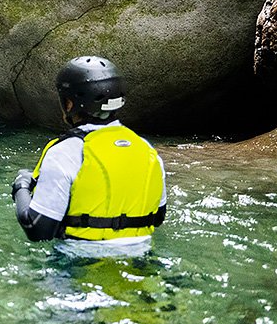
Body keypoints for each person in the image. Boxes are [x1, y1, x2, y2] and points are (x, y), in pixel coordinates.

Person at [11, 56, 167, 258]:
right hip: (141, 260)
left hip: (79, 265)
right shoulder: (146, 149)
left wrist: (21, 187)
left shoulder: (64, 152)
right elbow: (158, 217)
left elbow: (37, 229)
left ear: (69, 104)